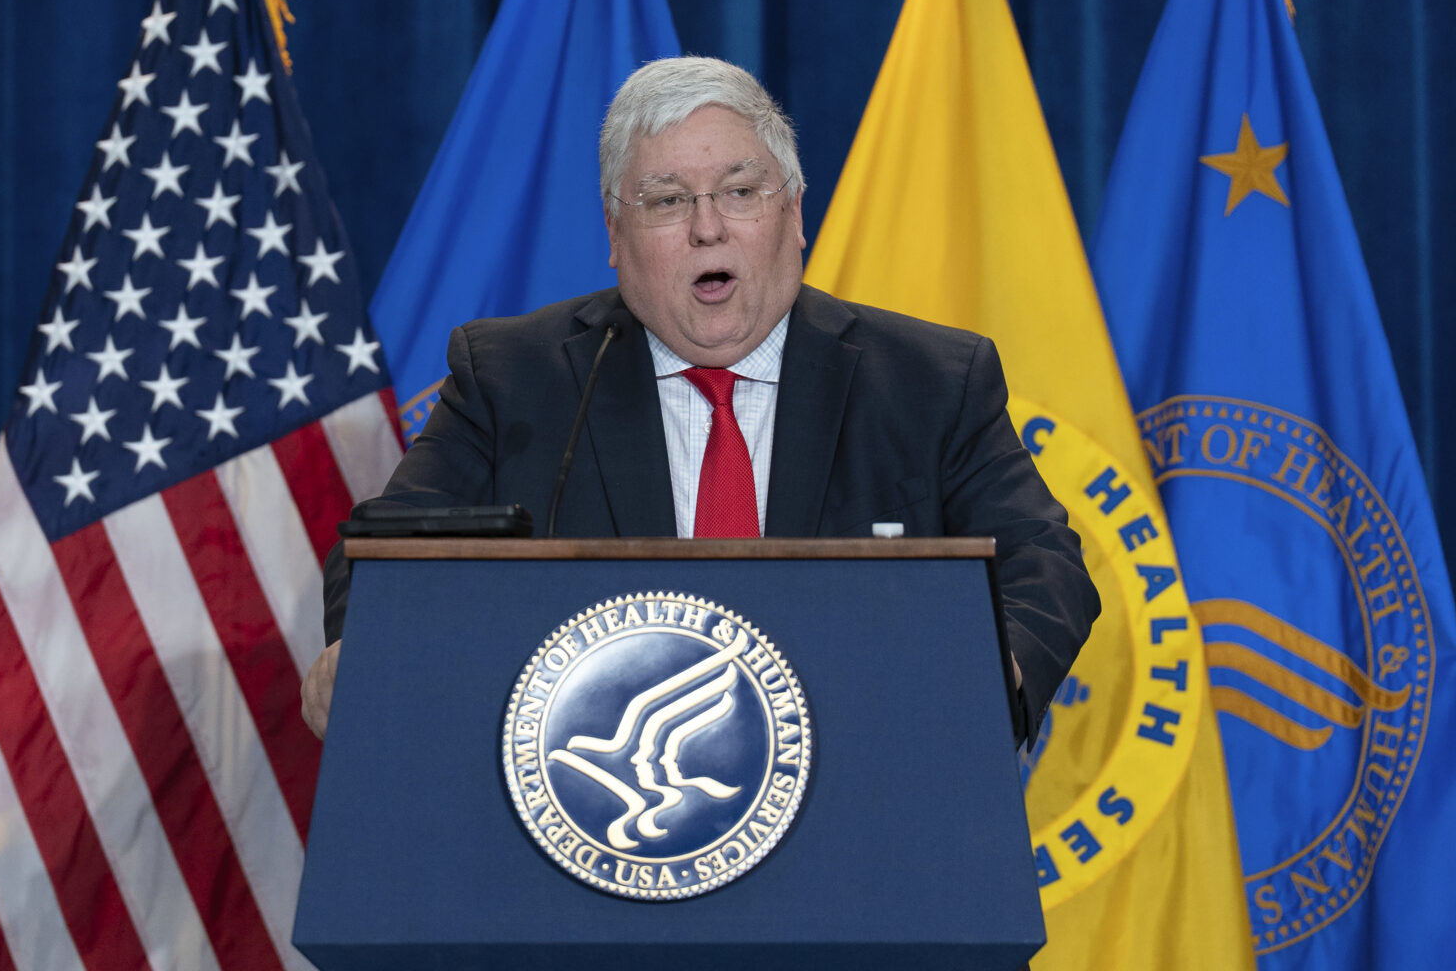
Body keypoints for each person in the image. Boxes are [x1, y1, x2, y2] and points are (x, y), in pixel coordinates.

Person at [302, 56, 1099, 745]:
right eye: (666, 200)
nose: (708, 228)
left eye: (742, 191)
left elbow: (1047, 565)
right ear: (615, 236)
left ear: (794, 216)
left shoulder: (929, 381)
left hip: (867, 812)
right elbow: (381, 556)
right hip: (598, 822)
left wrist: (980, 680)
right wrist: (367, 650)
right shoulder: (515, 376)